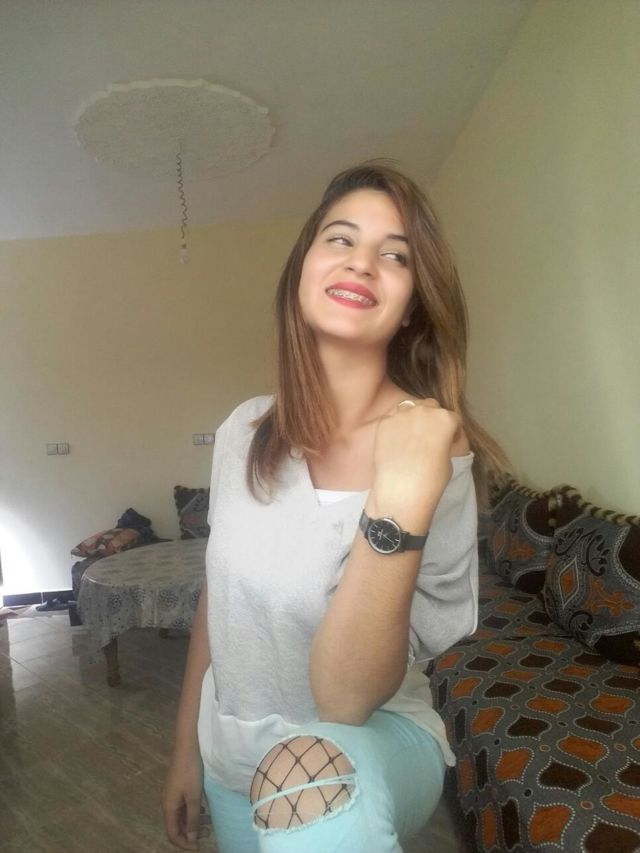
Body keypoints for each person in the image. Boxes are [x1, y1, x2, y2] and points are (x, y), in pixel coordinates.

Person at [162, 160, 509, 852]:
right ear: (303, 269)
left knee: (304, 776)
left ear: (411, 305)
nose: (362, 262)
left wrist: (400, 496)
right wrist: (185, 750)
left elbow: (345, 698)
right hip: (233, 749)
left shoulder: (431, 446)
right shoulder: (242, 432)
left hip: (372, 739)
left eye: (396, 254)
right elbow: (219, 601)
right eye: (341, 238)